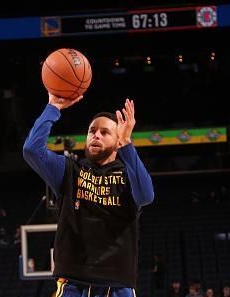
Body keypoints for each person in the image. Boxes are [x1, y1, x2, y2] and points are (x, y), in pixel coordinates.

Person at [23, 93, 155, 297]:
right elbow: (32, 150)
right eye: (92, 131)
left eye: (105, 132)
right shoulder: (68, 171)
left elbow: (146, 196)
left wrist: (127, 143)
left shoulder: (127, 174)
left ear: (117, 140)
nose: (96, 136)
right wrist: (53, 107)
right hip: (73, 283)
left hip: (117, 285)